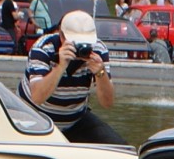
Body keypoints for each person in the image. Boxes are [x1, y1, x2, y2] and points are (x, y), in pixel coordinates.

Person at [20, 11, 123, 145]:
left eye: (87, 43)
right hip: (35, 117)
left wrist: (100, 73)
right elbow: (37, 97)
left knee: (118, 146)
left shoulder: (98, 50)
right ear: (62, 37)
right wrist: (61, 66)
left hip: (75, 119)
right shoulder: (44, 49)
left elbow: (107, 103)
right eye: (76, 43)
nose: (82, 48)